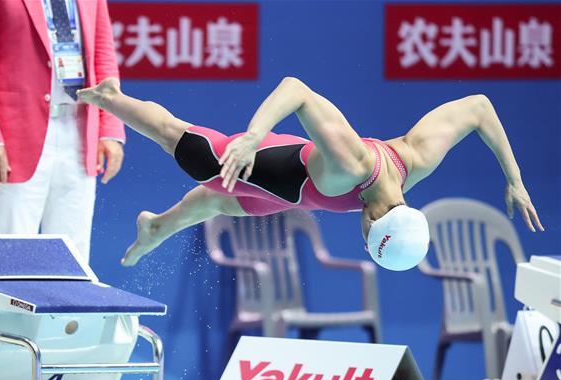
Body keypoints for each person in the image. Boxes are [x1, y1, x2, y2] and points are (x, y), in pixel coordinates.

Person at [76, 77, 543, 270]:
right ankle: (110, 98)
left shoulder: (416, 160)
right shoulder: (351, 163)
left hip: (295, 194)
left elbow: (478, 108)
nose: (361, 239)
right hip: (276, 165)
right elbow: (296, 90)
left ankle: (157, 227)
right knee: (194, 153)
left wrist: (515, 180)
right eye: (367, 241)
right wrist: (253, 137)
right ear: (372, 223)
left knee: (222, 202)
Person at [0, 0, 126, 260]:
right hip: (18, 136)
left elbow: (104, 56)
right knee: (10, 257)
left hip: (80, 131)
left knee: (71, 258)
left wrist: (110, 128)